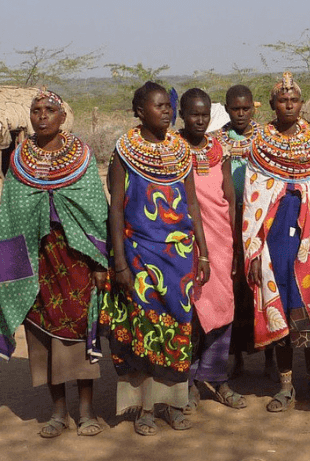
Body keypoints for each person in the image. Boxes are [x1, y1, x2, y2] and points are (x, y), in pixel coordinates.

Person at [0, 90, 108, 438]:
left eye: (50, 110)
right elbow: (10, 215)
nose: (42, 115)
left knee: (78, 330)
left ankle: (87, 411)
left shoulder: (83, 157)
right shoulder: (18, 159)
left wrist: (98, 262)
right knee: (41, 336)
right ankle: (58, 412)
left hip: (75, 258)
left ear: (63, 117)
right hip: (33, 260)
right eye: (36, 111)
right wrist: (12, 268)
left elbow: (95, 212)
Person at [100, 81, 211, 435]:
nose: (167, 111)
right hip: (139, 254)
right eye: (159, 106)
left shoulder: (180, 150)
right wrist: (119, 262)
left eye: (168, 106)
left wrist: (203, 253)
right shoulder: (124, 151)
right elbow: (116, 209)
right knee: (142, 330)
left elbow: (192, 204)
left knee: (178, 330)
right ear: (140, 111)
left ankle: (171, 402)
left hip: (178, 258)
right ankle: (144, 407)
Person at [243, 72, 310, 412]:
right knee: (279, 310)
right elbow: (253, 201)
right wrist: (253, 251)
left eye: (294, 99)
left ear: (301, 104)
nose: (289, 104)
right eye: (282, 100)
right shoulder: (259, 144)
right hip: (273, 239)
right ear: (272, 105)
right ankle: (285, 387)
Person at [178, 88, 246, 412]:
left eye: (205, 114)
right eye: (194, 114)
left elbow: (229, 197)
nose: (200, 120)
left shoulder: (219, 149)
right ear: (182, 114)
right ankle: (189, 382)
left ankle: (218, 379)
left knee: (222, 306)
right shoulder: (172, 149)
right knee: (190, 311)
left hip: (219, 239)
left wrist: (233, 240)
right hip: (185, 241)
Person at [215, 85, 276, 379]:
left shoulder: (266, 138)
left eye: (246, 108)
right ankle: (235, 355)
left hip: (261, 220)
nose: (240, 114)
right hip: (227, 221)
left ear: (255, 107)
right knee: (233, 287)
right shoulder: (216, 141)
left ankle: (270, 356)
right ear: (226, 109)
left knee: (263, 282)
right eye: (235, 109)